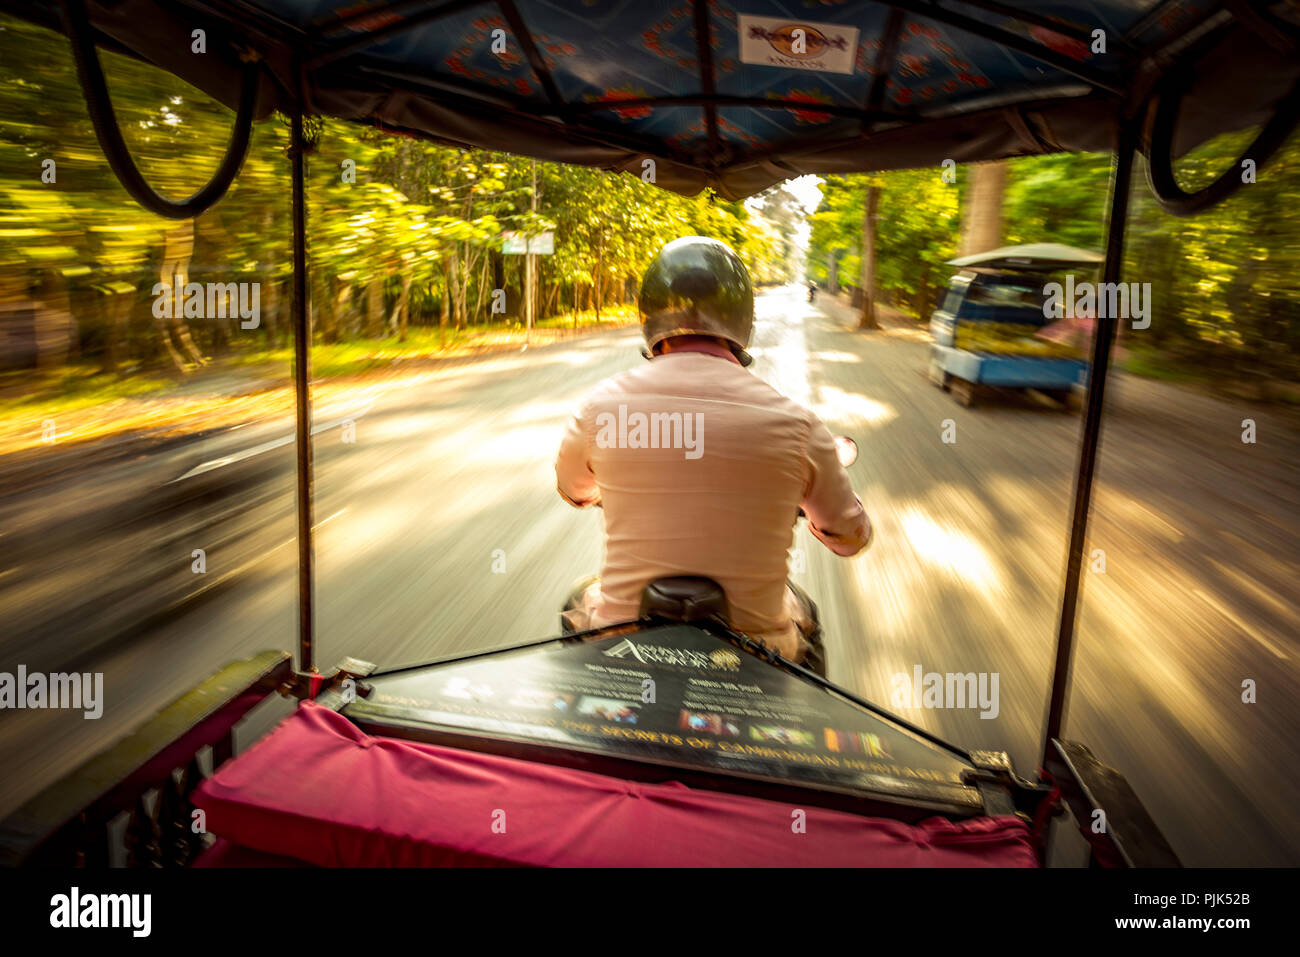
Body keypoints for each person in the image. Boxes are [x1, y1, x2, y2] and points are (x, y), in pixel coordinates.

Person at [554, 236, 871, 672]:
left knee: (577, 599)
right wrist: (816, 512)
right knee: (806, 613)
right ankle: (801, 729)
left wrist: (610, 486)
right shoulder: (798, 424)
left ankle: (580, 727)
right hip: (757, 649)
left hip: (622, 636)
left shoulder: (600, 408)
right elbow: (851, 538)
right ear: (742, 320)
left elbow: (574, 491)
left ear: (649, 317)